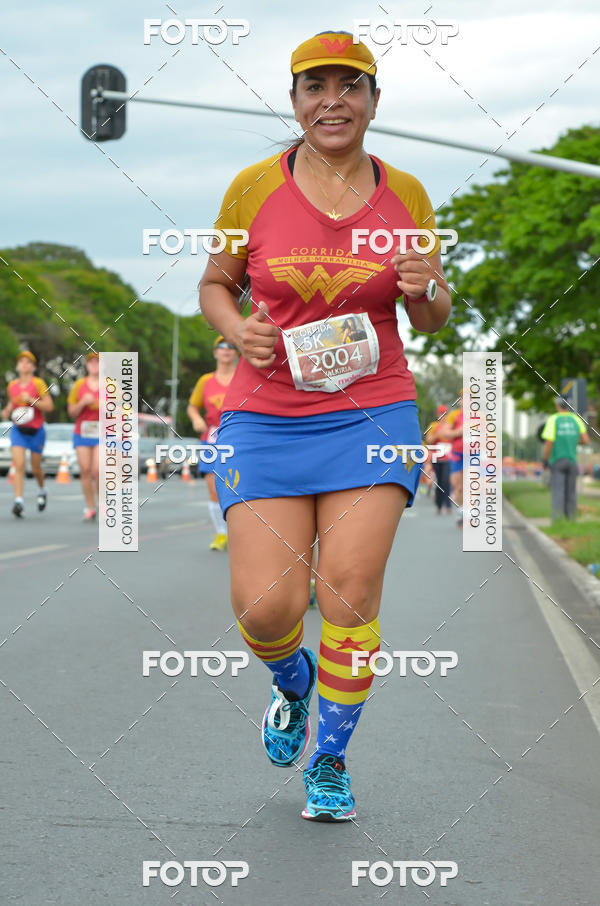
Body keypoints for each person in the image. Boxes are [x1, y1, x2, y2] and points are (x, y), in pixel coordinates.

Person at [199, 31, 451, 822]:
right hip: (266, 414)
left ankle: (330, 760)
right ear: (295, 101)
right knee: (265, 608)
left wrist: (425, 287)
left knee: (349, 589)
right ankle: (292, 683)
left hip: (371, 411)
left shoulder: (406, 194)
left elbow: (433, 315)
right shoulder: (252, 188)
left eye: (350, 86)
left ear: (374, 101)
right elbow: (215, 284)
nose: (332, 101)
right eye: (316, 87)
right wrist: (239, 330)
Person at [187, 335, 238, 550]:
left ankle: (240, 533)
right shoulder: (205, 380)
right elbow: (192, 406)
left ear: (236, 352)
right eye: (222, 346)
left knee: (238, 487)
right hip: (211, 440)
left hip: (238, 437)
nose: (226, 350)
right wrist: (196, 419)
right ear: (215, 353)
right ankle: (221, 534)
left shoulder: (243, 377)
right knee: (214, 489)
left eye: (231, 346)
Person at [1, 350, 53, 518]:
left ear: (33, 367)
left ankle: (42, 489)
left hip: (36, 430)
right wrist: (6, 411)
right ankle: (18, 502)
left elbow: (49, 406)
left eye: (28, 362)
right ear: (17, 366)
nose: (24, 364)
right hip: (18, 430)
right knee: (20, 464)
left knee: (36, 468)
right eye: (21, 361)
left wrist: (31, 399)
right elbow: (12, 404)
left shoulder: (38, 383)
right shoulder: (12, 385)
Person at [541, 396, 589, 521]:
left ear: (557, 405)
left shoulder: (553, 419)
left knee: (558, 491)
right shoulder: (576, 419)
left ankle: (558, 521)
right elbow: (585, 440)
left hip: (557, 460)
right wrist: (573, 441)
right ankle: (571, 520)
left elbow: (549, 443)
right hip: (572, 461)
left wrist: (545, 460)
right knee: (571, 492)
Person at [67, 352, 100, 521]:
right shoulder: (79, 385)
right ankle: (90, 507)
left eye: (98, 362)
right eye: (91, 362)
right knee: (85, 470)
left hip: (104, 432)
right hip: (83, 432)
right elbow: (71, 412)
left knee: (98, 470)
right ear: (87, 365)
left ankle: (103, 503)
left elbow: (124, 409)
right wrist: (82, 403)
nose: (94, 365)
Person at [441, 392, 464, 526]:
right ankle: (462, 511)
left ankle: (470, 512)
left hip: (474, 454)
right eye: (463, 398)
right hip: (457, 454)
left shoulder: (480, 416)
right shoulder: (454, 415)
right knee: (458, 486)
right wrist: (458, 432)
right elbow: (445, 432)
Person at [426, 404, 452, 514]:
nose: (443, 416)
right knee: (439, 482)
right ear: (438, 414)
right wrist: (437, 434)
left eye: (445, 414)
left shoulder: (451, 426)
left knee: (446, 481)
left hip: (448, 458)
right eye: (441, 414)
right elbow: (429, 440)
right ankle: (439, 506)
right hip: (436, 458)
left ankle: (448, 505)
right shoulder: (433, 425)